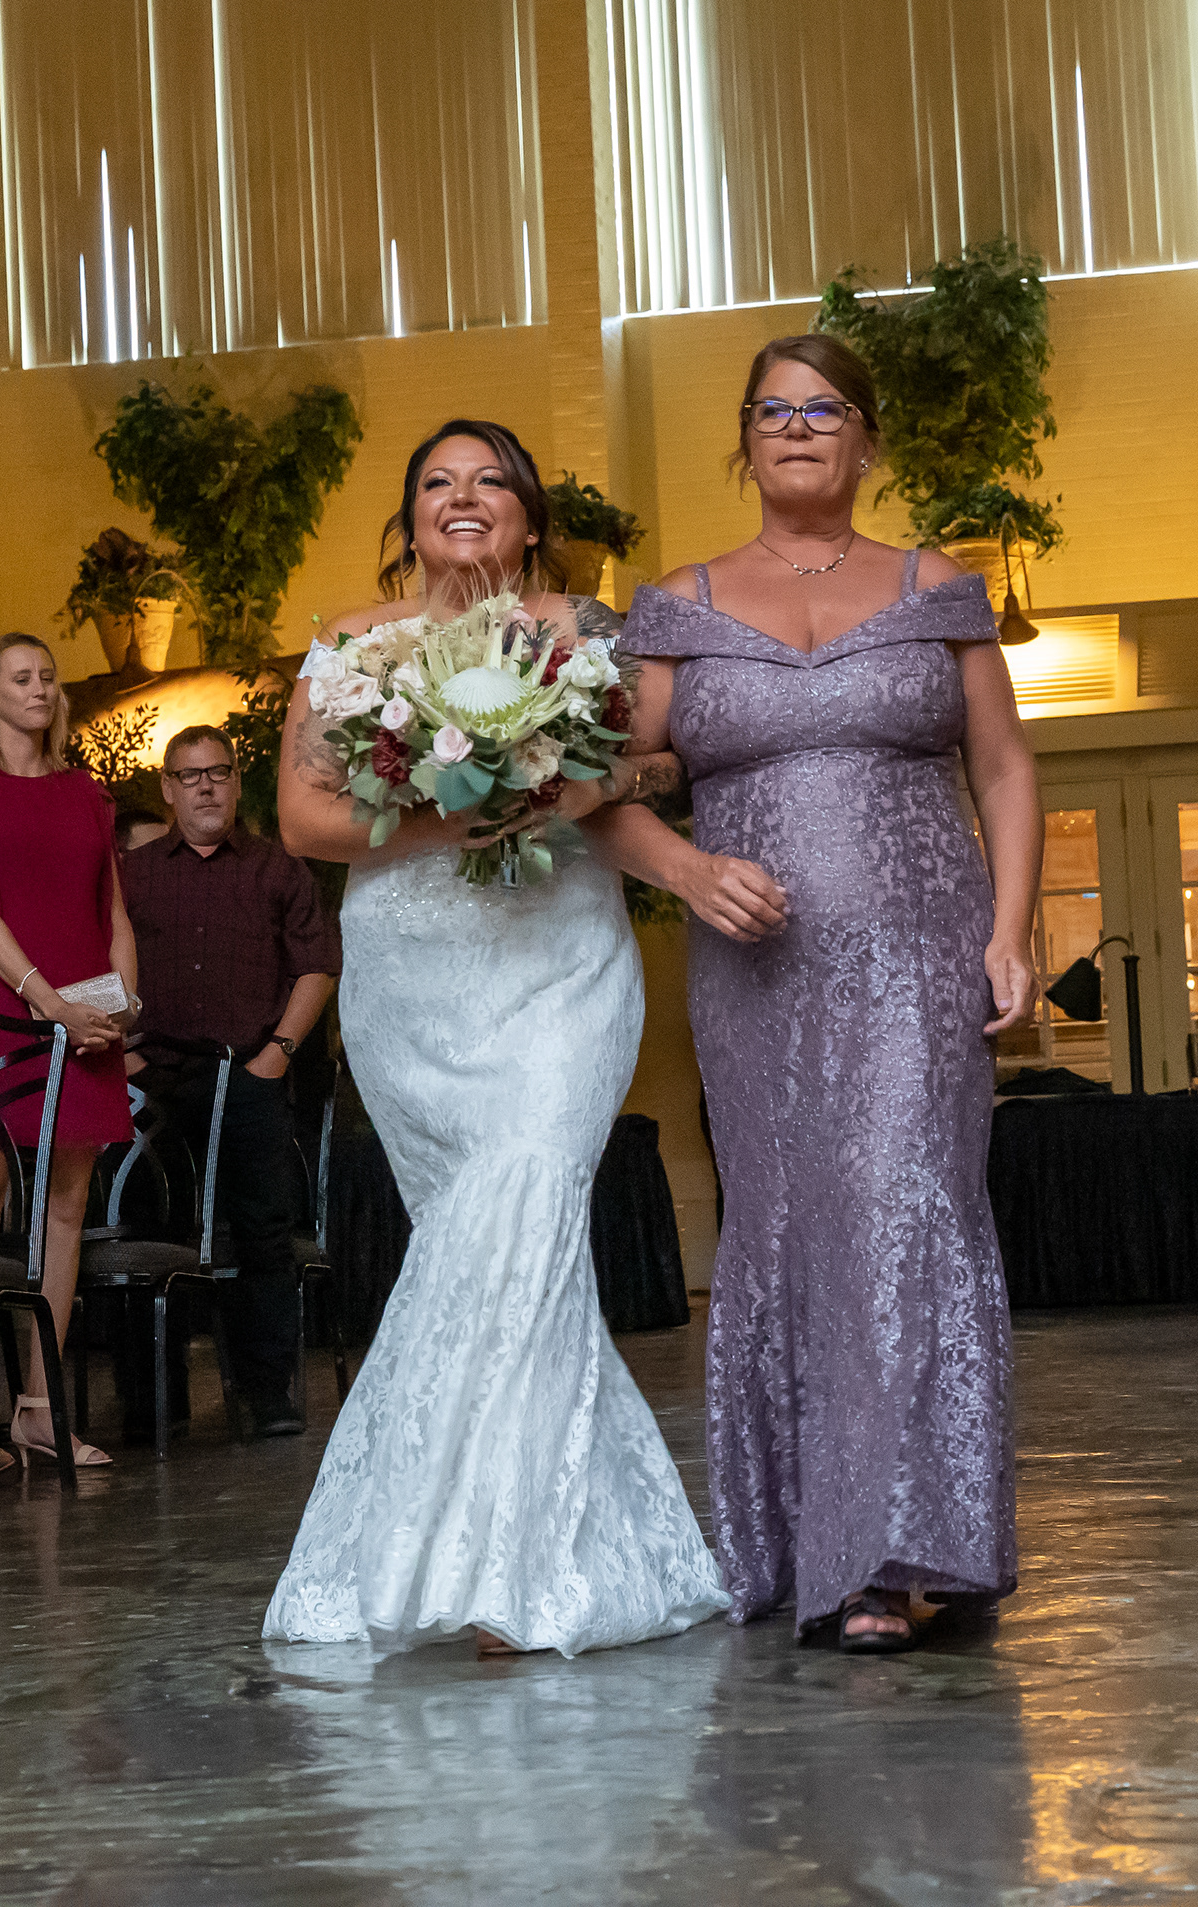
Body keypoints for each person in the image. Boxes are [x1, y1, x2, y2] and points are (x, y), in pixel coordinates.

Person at [601, 335, 1041, 1652]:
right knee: (792, 1224)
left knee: (906, 1208)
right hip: (759, 975)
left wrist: (1010, 931)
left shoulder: (936, 588)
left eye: (825, 408)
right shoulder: (675, 607)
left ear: (865, 438)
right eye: (773, 410)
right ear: (745, 440)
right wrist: (689, 869)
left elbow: (1005, 767)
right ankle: (815, 1543)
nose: (798, 427)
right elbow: (598, 791)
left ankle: (900, 1547)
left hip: (921, 953)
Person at [262, 418, 727, 1657]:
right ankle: (550, 1551)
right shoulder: (353, 644)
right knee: (490, 1258)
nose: (462, 497)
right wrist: (450, 814)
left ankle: (495, 1569)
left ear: (528, 517)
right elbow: (303, 818)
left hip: (559, 967)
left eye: (490, 482)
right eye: (437, 481)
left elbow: (662, 763)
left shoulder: (584, 631)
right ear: (410, 514)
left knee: (518, 1210)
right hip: (411, 980)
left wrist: (571, 782)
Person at [0, 634, 135, 1478]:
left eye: (48, 676)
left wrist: (118, 1006)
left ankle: (41, 1409)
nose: (41, 688)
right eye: (23, 677)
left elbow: (113, 910)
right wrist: (52, 1006)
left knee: (68, 1205)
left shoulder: (85, 791)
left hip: (84, 1014)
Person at [119, 724, 342, 1439]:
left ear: (238, 782)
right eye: (190, 775)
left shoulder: (279, 869)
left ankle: (267, 1396)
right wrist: (120, 1056)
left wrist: (276, 1054)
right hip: (151, 1078)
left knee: (262, 1234)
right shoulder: (132, 873)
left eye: (218, 772)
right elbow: (96, 960)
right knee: (144, 1234)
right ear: (168, 788)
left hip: (246, 1074)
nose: (206, 786)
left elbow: (318, 965)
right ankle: (153, 1407)